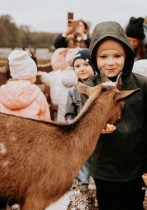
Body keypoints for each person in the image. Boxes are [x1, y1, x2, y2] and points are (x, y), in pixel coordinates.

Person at [81, 21, 147, 209]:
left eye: (117, 55)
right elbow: (85, 123)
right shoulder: (89, 87)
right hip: (105, 169)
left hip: (136, 168)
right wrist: (97, 126)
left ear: (127, 56)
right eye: (103, 56)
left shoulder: (141, 84)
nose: (110, 62)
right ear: (94, 58)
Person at [65, 48, 95, 188]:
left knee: (101, 177)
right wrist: (73, 127)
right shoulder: (73, 91)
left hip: (100, 140)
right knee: (82, 177)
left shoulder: (101, 88)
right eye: (77, 66)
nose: (82, 69)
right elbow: (69, 114)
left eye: (86, 64)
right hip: (82, 140)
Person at [0, 50, 50, 121]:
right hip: (31, 130)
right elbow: (46, 121)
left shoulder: (1, 93)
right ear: (31, 74)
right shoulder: (37, 94)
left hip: (5, 130)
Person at [39, 48, 78, 122]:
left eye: (60, 61)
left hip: (66, 102)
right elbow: (52, 82)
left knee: (64, 118)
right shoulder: (58, 73)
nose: (57, 63)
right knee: (60, 117)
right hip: (59, 102)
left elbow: (72, 81)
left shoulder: (71, 73)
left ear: (68, 61)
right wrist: (43, 76)